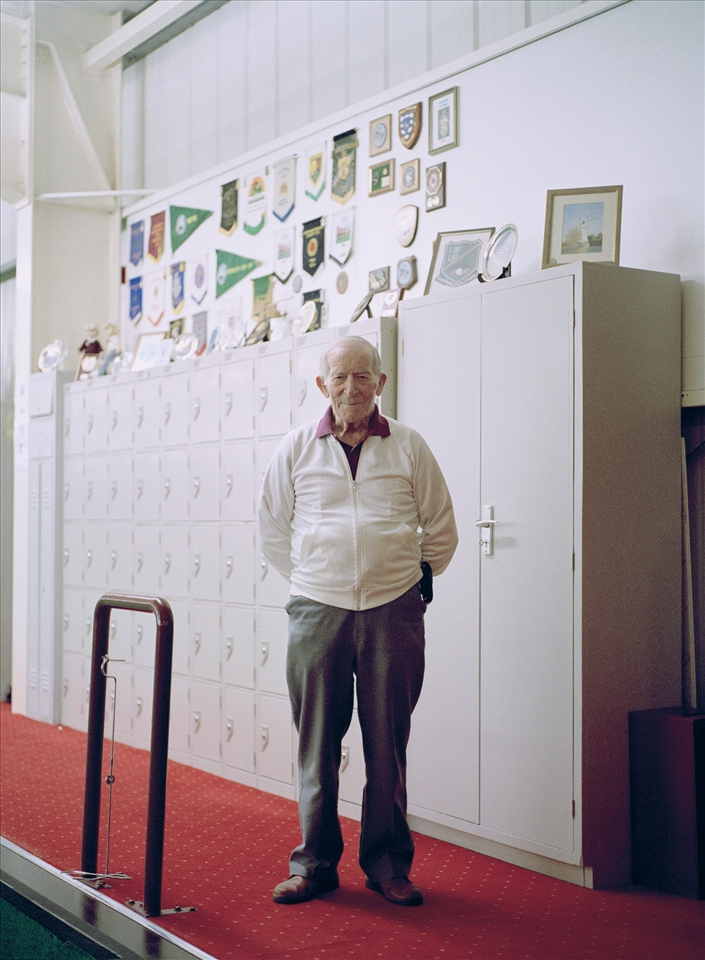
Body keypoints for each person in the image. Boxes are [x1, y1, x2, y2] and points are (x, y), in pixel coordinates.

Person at [258, 336, 458, 907]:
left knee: (387, 745)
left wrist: (408, 580)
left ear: (381, 383)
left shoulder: (409, 447)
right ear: (323, 385)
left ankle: (388, 865)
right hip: (317, 611)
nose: (352, 388)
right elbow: (273, 531)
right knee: (316, 745)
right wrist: (316, 579)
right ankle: (314, 864)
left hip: (393, 610)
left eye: (363, 377)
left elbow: (441, 529)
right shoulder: (295, 448)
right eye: (340, 378)